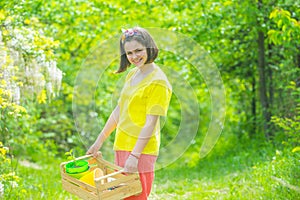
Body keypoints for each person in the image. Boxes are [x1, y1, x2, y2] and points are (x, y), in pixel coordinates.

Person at [86, 27, 172, 199]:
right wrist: (98, 142)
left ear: (149, 47)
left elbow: (150, 123)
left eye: (139, 50)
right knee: (121, 196)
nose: (134, 56)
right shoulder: (132, 75)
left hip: (141, 150)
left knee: (136, 197)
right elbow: (119, 111)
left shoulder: (158, 82)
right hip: (122, 146)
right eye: (130, 53)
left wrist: (135, 156)